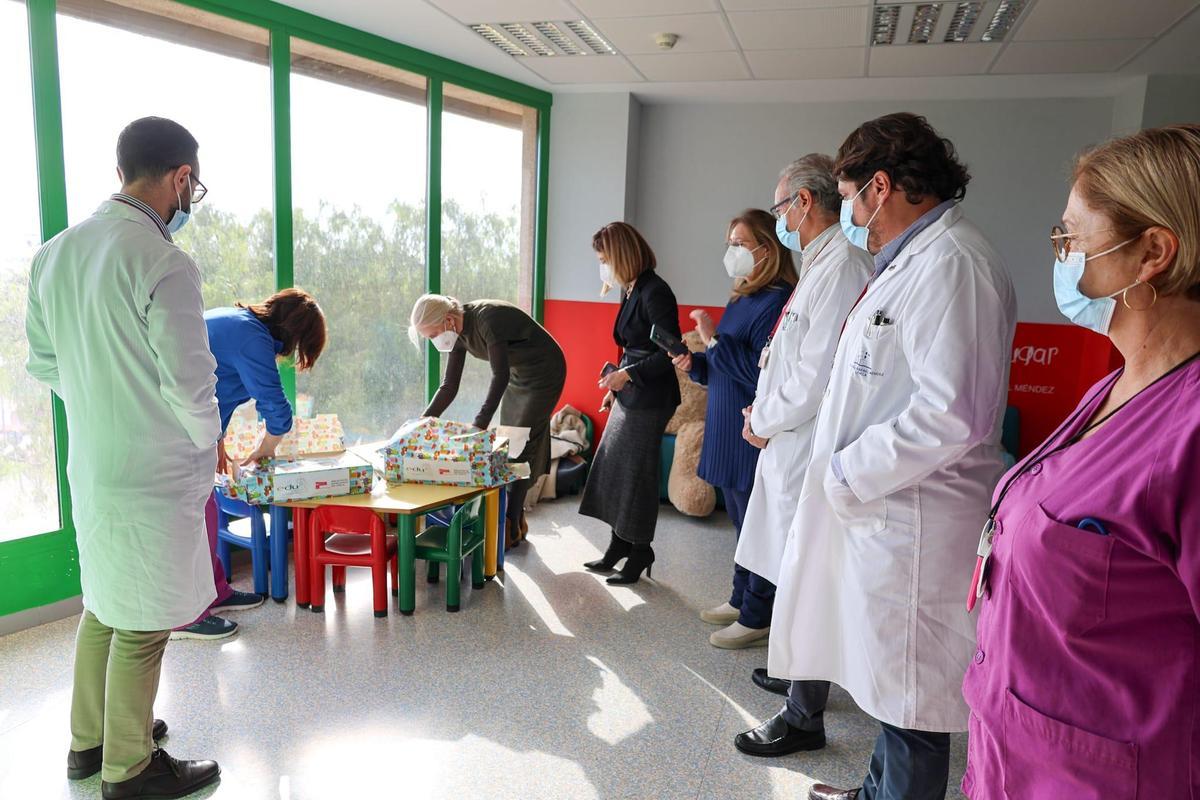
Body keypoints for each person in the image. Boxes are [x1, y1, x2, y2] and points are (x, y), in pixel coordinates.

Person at [767, 114, 1016, 800]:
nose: (849, 215)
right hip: (889, 512)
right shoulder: (912, 262)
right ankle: (878, 791)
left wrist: (847, 472)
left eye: (849, 198)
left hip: (914, 517)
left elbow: (953, 412)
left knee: (910, 696)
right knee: (891, 682)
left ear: (881, 187)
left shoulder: (954, 264)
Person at [963, 125, 1200, 800]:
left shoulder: (1191, 428)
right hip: (1016, 752)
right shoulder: (1116, 386)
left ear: (1152, 251)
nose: (1061, 253)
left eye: (1071, 235)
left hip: (1109, 776)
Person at [25, 117, 221, 799]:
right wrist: (209, 448)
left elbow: (44, 361)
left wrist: (102, 394)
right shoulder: (163, 260)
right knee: (142, 624)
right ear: (180, 179)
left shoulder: (54, 254)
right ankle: (129, 771)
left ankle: (90, 743)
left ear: (121, 171)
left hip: (94, 464)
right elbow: (191, 382)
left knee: (105, 603)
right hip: (152, 471)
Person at [729, 155, 873, 756]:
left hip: (805, 441)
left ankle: (803, 712)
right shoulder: (821, 262)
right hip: (788, 438)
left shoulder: (840, 264)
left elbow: (814, 374)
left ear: (805, 205)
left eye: (782, 206)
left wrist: (762, 418)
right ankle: (798, 676)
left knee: (806, 573)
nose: (780, 217)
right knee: (795, 571)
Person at [170, 288, 327, 641]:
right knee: (195, 517)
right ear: (294, 335)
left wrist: (218, 439)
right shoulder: (252, 340)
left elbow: (212, 383)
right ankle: (184, 616)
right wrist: (266, 448)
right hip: (172, 427)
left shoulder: (239, 323)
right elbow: (278, 411)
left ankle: (215, 591)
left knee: (204, 509)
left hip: (189, 424)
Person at [670, 208, 795, 649]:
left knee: (756, 527)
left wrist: (713, 340)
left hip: (751, 430)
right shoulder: (743, 296)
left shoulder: (779, 300)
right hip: (726, 425)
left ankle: (758, 612)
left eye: (740, 244)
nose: (732, 252)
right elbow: (725, 367)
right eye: (730, 243)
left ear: (767, 247)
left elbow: (761, 374)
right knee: (740, 526)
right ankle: (741, 597)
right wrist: (697, 363)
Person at [411, 294, 566, 547]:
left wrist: (480, 423)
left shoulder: (486, 320)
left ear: (448, 320)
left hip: (544, 370)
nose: (433, 341)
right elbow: (449, 385)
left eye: (432, 334)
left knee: (521, 444)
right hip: (518, 374)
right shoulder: (457, 334)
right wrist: (424, 419)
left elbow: (499, 375)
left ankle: (511, 526)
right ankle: (516, 519)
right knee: (510, 442)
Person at [578, 222, 681, 584]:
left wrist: (627, 376)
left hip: (652, 395)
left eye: (605, 259)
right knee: (615, 468)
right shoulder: (630, 288)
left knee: (636, 474)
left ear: (621, 255)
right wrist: (615, 386)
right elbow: (630, 347)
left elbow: (671, 353)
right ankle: (619, 544)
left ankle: (640, 550)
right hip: (630, 390)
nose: (603, 266)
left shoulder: (656, 292)